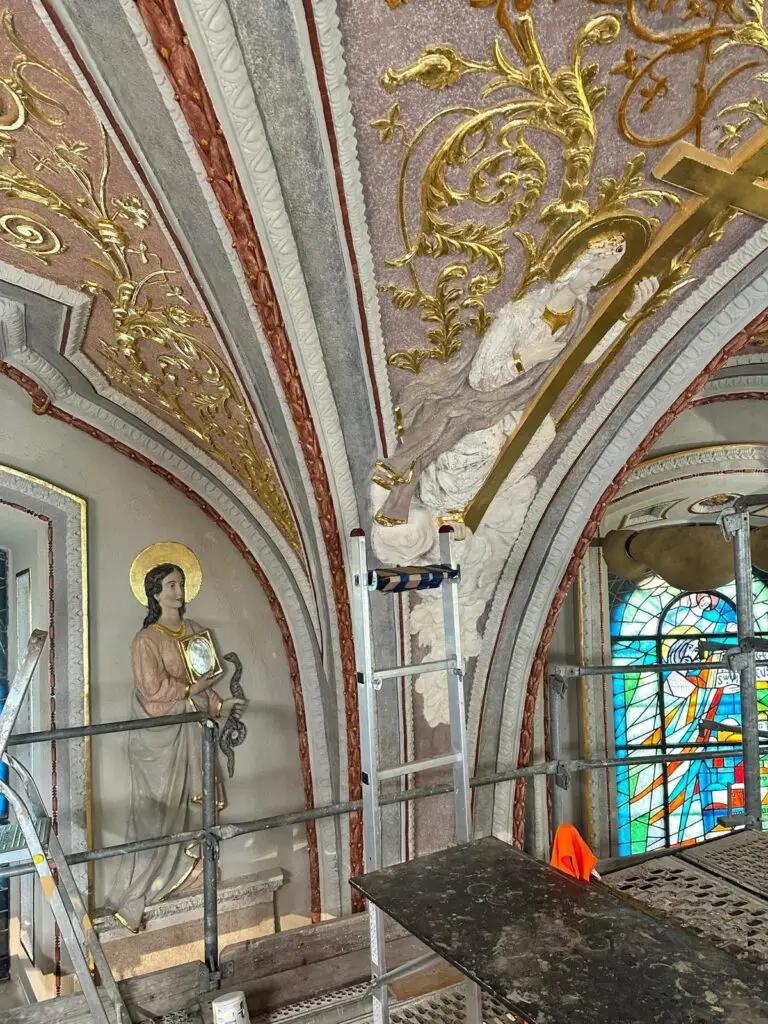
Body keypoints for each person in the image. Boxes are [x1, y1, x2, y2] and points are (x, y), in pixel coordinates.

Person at [372, 224, 658, 534]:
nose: (596, 280)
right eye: (594, 270)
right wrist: (525, 359)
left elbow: (585, 356)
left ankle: (476, 500)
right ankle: (443, 505)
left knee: (543, 434)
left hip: (516, 403)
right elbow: (480, 379)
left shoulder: (579, 315)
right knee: (483, 444)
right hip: (477, 401)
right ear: (574, 266)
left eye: (604, 273)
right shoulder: (521, 314)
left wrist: (627, 316)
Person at [107, 548, 245, 932]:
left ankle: (193, 869)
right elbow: (151, 691)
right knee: (159, 815)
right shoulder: (146, 640)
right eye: (171, 585)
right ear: (155, 593)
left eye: (181, 584)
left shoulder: (194, 629)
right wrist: (191, 691)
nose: (179, 591)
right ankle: (144, 887)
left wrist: (220, 704)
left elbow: (204, 682)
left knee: (196, 806)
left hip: (195, 730)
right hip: (161, 742)